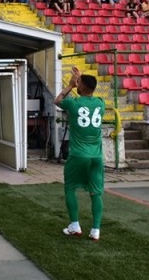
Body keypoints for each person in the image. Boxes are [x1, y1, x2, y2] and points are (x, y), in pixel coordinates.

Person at [55, 66, 106, 241]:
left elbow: (58, 100)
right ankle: (95, 230)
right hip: (97, 156)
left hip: (78, 154)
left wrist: (70, 85)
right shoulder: (100, 102)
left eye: (79, 83)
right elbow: (87, 94)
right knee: (96, 193)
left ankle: (75, 225)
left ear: (81, 87)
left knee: (70, 187)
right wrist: (81, 78)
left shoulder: (73, 103)